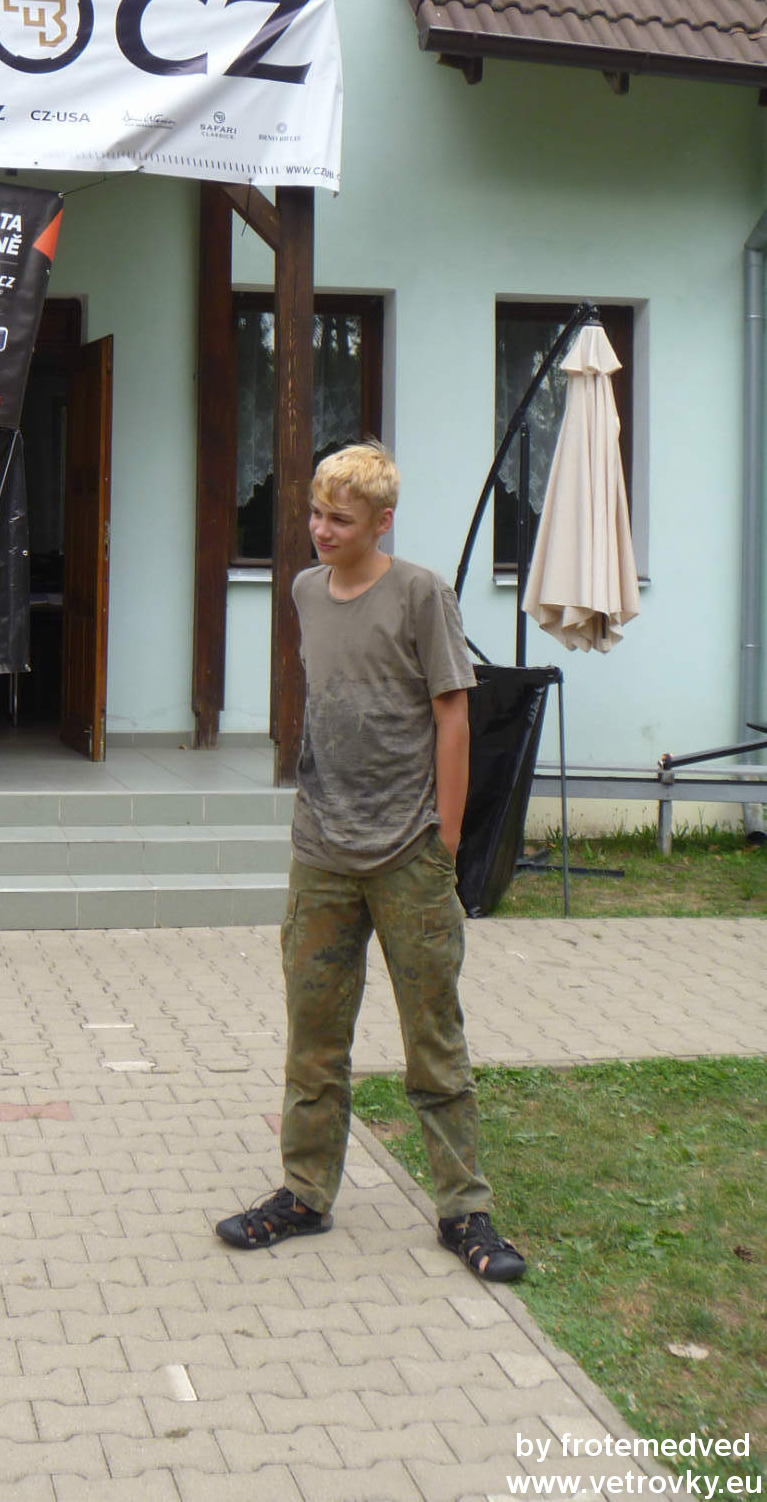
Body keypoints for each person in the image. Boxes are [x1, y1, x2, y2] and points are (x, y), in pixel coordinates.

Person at [215, 442, 526, 1283]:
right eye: (315, 514)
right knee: (314, 1038)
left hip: (407, 851)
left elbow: (452, 716)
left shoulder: (422, 594)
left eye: (340, 520)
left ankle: (463, 1211)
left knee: (433, 1041)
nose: (321, 531)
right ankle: (303, 1194)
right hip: (320, 850)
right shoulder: (303, 591)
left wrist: (445, 840)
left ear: (381, 522)